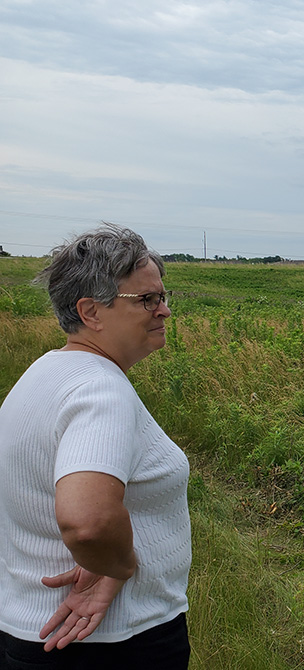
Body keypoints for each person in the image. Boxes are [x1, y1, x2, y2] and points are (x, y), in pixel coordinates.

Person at [0, 224, 191, 669]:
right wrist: (118, 566)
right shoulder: (100, 392)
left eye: (162, 296)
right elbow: (88, 521)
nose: (164, 310)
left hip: (31, 629)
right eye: (146, 299)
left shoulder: (45, 373)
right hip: (111, 641)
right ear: (90, 311)